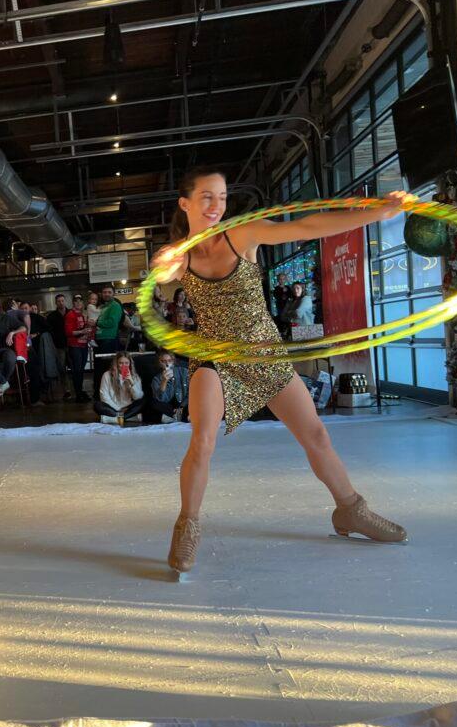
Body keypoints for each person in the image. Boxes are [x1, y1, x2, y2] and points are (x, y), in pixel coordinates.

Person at [154, 166, 408, 574]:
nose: (216, 205)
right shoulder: (180, 255)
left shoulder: (243, 234)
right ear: (185, 203)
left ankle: (350, 510)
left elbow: (308, 224)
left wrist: (376, 213)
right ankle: (187, 525)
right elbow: (158, 280)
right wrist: (162, 269)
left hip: (265, 353)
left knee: (317, 435)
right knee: (202, 441)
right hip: (216, 358)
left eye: (221, 196)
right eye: (206, 197)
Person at [94, 351, 144, 427]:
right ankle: (128, 417)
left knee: (143, 401)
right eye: (121, 363)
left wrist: (131, 382)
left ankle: (115, 418)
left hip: (128, 407)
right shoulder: (107, 375)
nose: (124, 365)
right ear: (116, 364)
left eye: (126, 363)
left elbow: (138, 397)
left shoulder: (134, 376)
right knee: (97, 405)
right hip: (112, 407)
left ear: (130, 364)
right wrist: (118, 409)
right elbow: (104, 396)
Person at [64, 294, 91, 402]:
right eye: (76, 301)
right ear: (73, 303)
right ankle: (78, 394)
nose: (78, 303)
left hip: (83, 345)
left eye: (80, 301)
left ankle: (80, 392)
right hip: (75, 346)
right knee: (77, 370)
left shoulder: (83, 314)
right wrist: (82, 331)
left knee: (81, 370)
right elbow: (68, 332)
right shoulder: (70, 314)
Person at [149, 350, 187, 424]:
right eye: (163, 361)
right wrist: (164, 381)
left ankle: (172, 417)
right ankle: (179, 417)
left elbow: (191, 392)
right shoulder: (156, 379)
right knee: (153, 402)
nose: (167, 364)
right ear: (159, 363)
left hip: (184, 404)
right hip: (169, 407)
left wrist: (182, 407)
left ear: (173, 361)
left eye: (169, 360)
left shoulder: (183, 372)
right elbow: (161, 400)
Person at [46, 294, 71, 400]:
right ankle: (67, 390)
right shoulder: (51, 316)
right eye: (59, 301)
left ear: (65, 301)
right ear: (56, 303)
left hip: (72, 344)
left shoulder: (71, 313)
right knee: (62, 369)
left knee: (75, 367)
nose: (61, 303)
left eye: (62, 301)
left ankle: (78, 389)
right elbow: (49, 331)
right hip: (59, 346)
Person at [95, 284, 124, 355]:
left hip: (109, 338)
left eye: (109, 292)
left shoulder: (115, 305)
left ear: (113, 294)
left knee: (106, 363)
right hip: (99, 338)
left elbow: (112, 322)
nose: (106, 294)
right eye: (104, 292)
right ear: (101, 294)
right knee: (99, 364)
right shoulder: (102, 306)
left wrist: (96, 323)